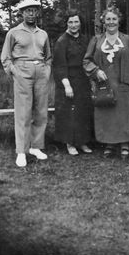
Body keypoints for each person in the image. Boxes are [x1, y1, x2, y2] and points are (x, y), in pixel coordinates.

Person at [83, 6, 129, 158]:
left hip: (123, 84)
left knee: (123, 114)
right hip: (103, 84)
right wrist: (96, 71)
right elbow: (86, 61)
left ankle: (124, 144)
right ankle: (109, 143)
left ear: (119, 21)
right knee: (106, 113)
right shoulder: (96, 40)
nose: (111, 22)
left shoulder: (128, 40)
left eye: (114, 19)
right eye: (108, 19)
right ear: (103, 21)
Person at [1, 0, 52, 167]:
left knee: (41, 111)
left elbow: (48, 56)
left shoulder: (42, 33)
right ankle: (21, 151)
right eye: (27, 10)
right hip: (22, 73)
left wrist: (47, 70)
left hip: (41, 73)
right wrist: (15, 72)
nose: (31, 13)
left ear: (37, 13)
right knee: (23, 113)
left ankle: (36, 147)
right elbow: (6, 58)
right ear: (22, 13)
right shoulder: (13, 33)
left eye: (34, 10)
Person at [53, 9, 93, 156]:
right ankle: (70, 143)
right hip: (67, 81)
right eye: (71, 22)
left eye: (76, 21)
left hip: (83, 80)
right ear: (66, 23)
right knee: (69, 113)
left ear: (80, 23)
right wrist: (67, 85)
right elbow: (59, 65)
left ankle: (82, 142)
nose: (74, 25)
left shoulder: (85, 39)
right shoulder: (62, 41)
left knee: (82, 111)